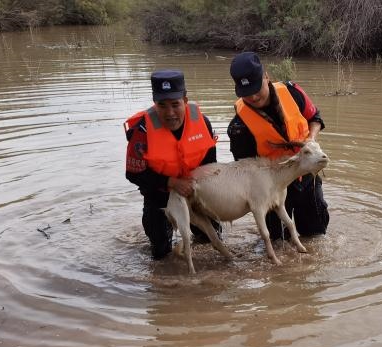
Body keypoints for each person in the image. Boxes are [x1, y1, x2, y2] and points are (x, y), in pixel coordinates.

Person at [227, 52, 329, 241]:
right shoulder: (239, 127)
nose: (253, 97)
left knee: (315, 235)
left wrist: (311, 139)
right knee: (277, 242)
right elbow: (246, 170)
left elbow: (315, 118)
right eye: (246, 93)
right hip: (272, 188)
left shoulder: (292, 92)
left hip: (306, 175)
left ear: (266, 77)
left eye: (257, 88)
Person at [124, 69, 220, 260]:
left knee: (211, 243)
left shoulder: (203, 123)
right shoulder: (142, 131)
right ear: (155, 103)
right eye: (162, 105)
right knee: (161, 255)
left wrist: (194, 187)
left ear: (185, 100)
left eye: (175, 104)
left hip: (195, 194)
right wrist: (172, 183)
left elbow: (210, 165)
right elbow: (133, 174)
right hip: (159, 198)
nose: (170, 113)